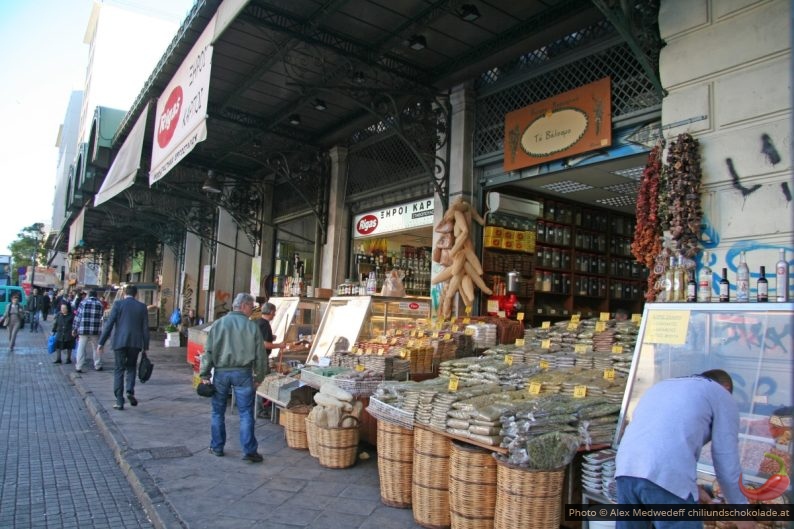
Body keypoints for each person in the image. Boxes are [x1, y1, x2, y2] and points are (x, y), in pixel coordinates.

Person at [615, 369, 755, 529]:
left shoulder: (663, 386)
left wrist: (691, 489)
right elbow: (726, 461)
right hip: (664, 474)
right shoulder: (721, 394)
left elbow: (656, 441)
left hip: (626, 468)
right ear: (727, 387)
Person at [199, 293, 267, 462]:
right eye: (251, 307)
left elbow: (208, 351)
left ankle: (217, 447)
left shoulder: (219, 324)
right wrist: (260, 376)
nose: (252, 310)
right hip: (243, 372)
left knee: (217, 412)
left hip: (221, 372)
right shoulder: (252, 327)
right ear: (243, 306)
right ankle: (249, 451)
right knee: (245, 413)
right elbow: (260, 355)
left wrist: (205, 374)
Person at [97, 284, 150, 410]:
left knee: (119, 369)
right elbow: (145, 328)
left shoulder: (118, 305)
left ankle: (119, 401)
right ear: (136, 294)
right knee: (131, 367)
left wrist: (101, 342)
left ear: (124, 293)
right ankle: (130, 391)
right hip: (135, 343)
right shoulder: (142, 307)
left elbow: (109, 325)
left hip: (119, 342)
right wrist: (145, 346)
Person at [73, 290, 105, 372]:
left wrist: (75, 328)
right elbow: (101, 317)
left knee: (81, 348)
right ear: (96, 296)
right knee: (96, 348)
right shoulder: (100, 304)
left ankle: (79, 366)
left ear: (88, 295)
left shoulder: (83, 303)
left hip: (83, 330)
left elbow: (78, 317)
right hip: (95, 330)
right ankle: (98, 365)